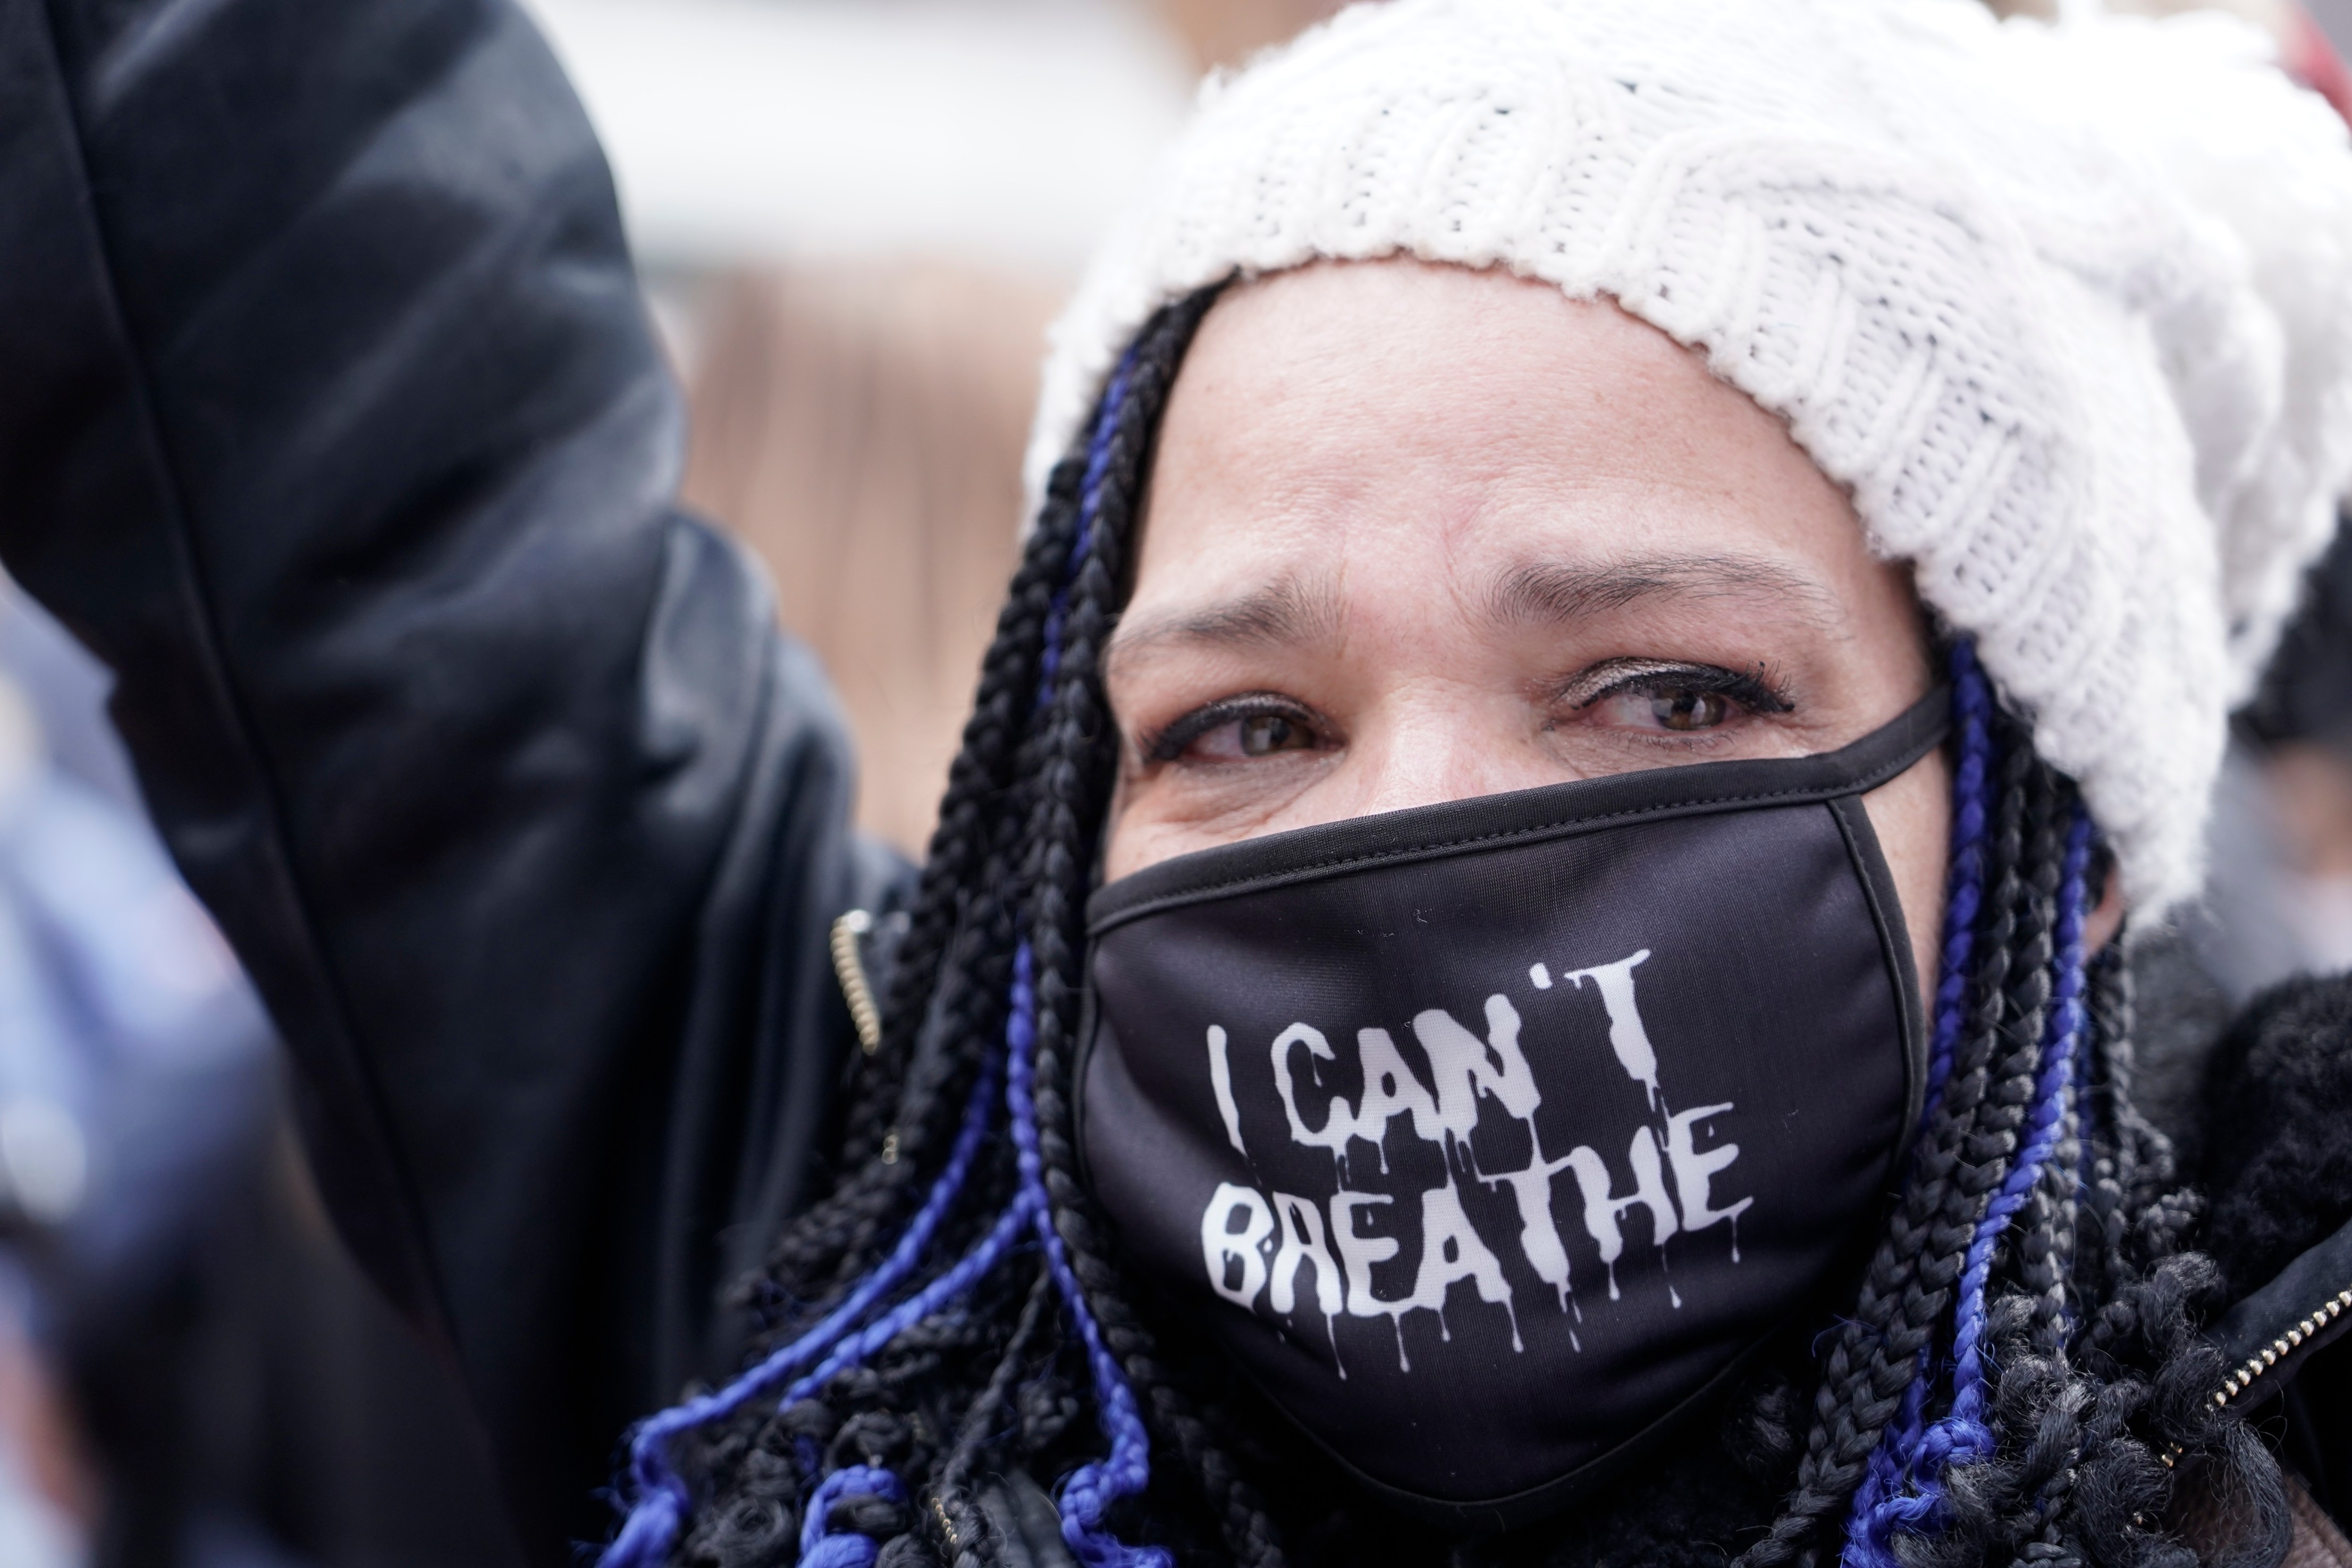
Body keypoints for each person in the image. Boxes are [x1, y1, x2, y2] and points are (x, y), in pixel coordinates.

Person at [2, 1, 2350, 1567]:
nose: (1402, 840)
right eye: (1245, 725)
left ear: (2072, 842)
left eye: (1663, 693)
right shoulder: (829, 1298)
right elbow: (319, 336)